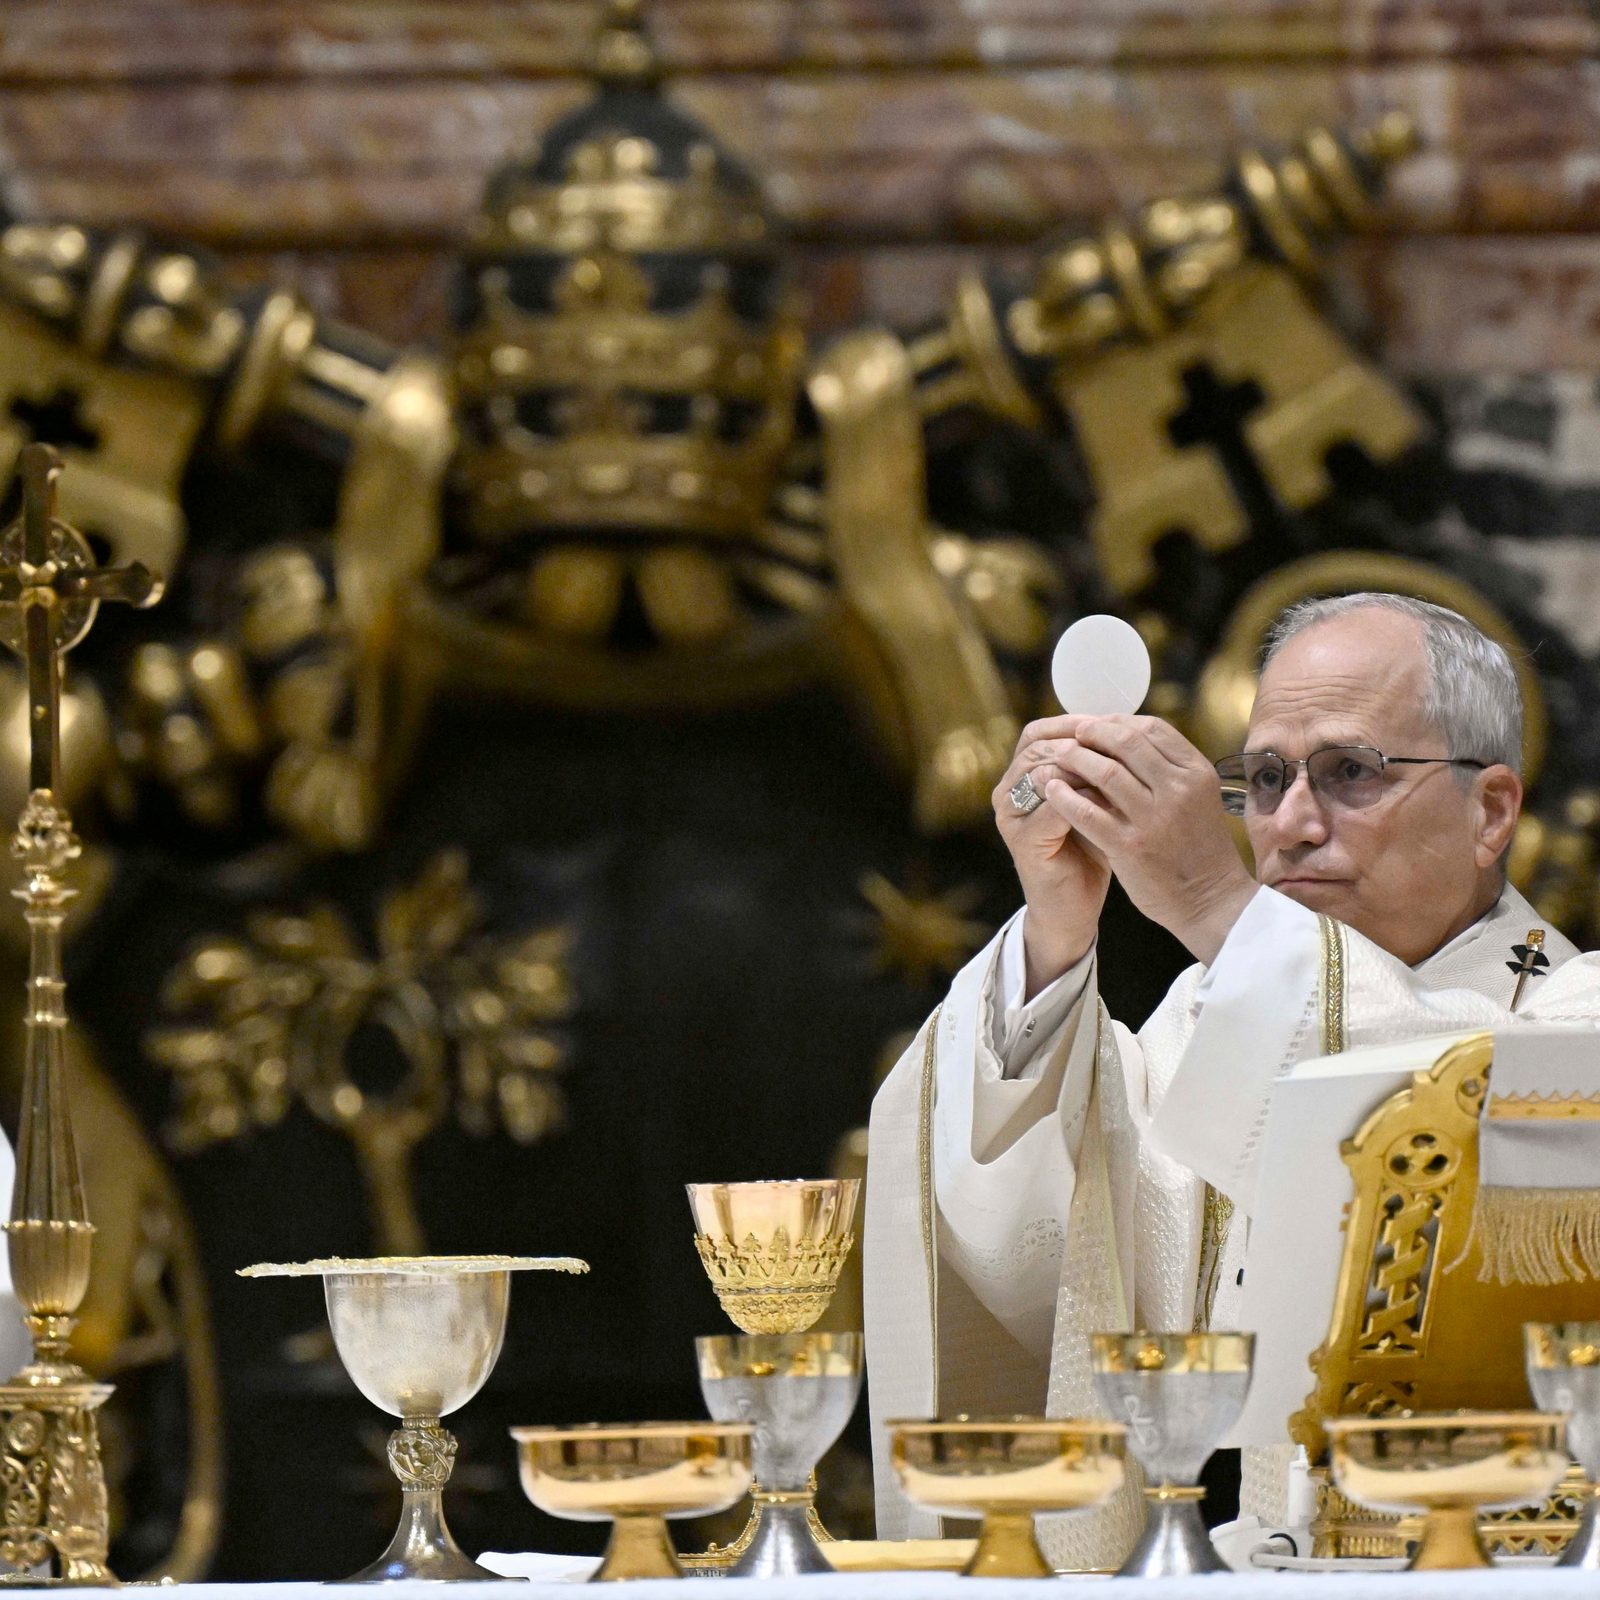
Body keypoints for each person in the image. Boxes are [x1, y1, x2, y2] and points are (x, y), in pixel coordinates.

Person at [863, 592, 1600, 1567]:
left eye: (1348, 773)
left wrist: (1215, 899)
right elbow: (1035, 1245)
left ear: (1489, 809)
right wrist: (1052, 936)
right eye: (1260, 777)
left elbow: (1444, 1114)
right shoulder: (1210, 1019)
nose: (1288, 823)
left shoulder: (1575, 1016)